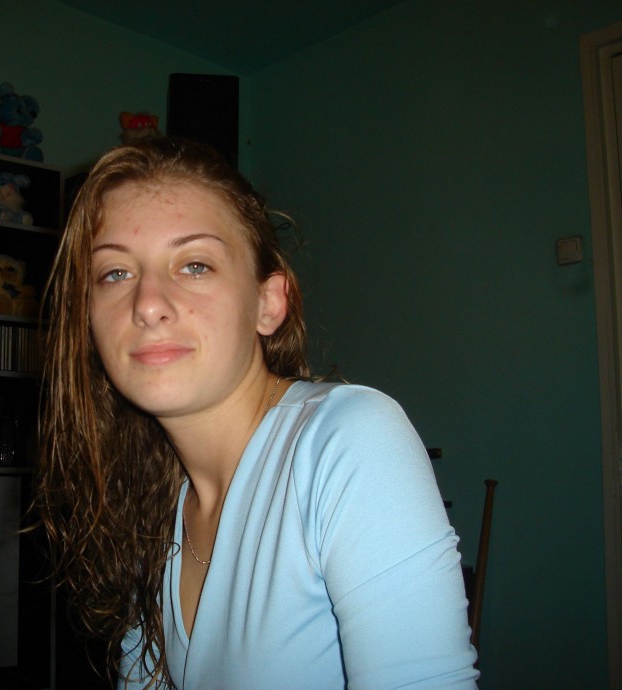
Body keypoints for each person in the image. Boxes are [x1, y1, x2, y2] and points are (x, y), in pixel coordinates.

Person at [34, 136, 479, 688]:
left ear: (268, 302)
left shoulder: (349, 440)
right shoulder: (149, 506)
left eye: (194, 265)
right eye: (115, 273)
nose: (147, 304)